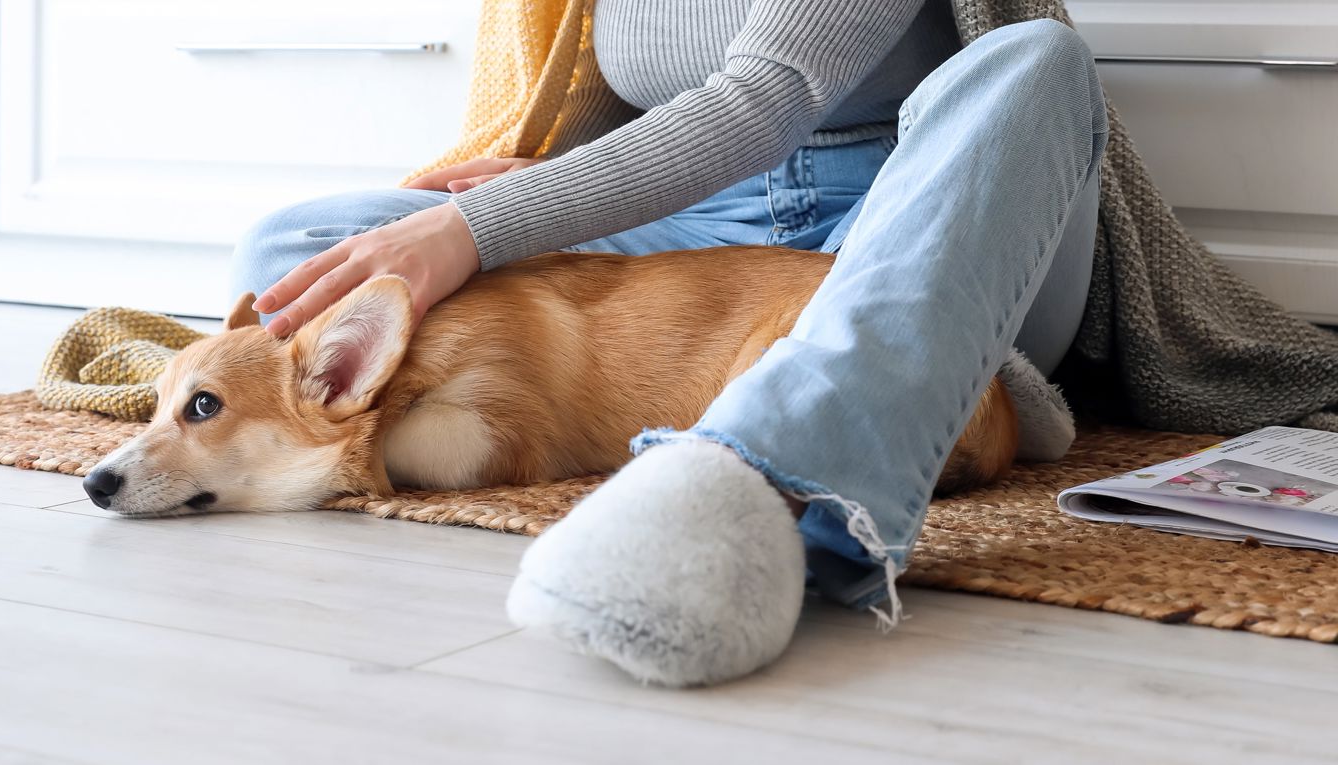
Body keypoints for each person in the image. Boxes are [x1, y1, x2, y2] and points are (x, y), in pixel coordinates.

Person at [232, 0, 1108, 686]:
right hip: (705, 229)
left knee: (1037, 60)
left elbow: (766, 98)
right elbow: (635, 97)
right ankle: (824, 379)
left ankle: (760, 474)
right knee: (299, 257)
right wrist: (563, 177)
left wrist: (475, 228)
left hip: (914, 212)